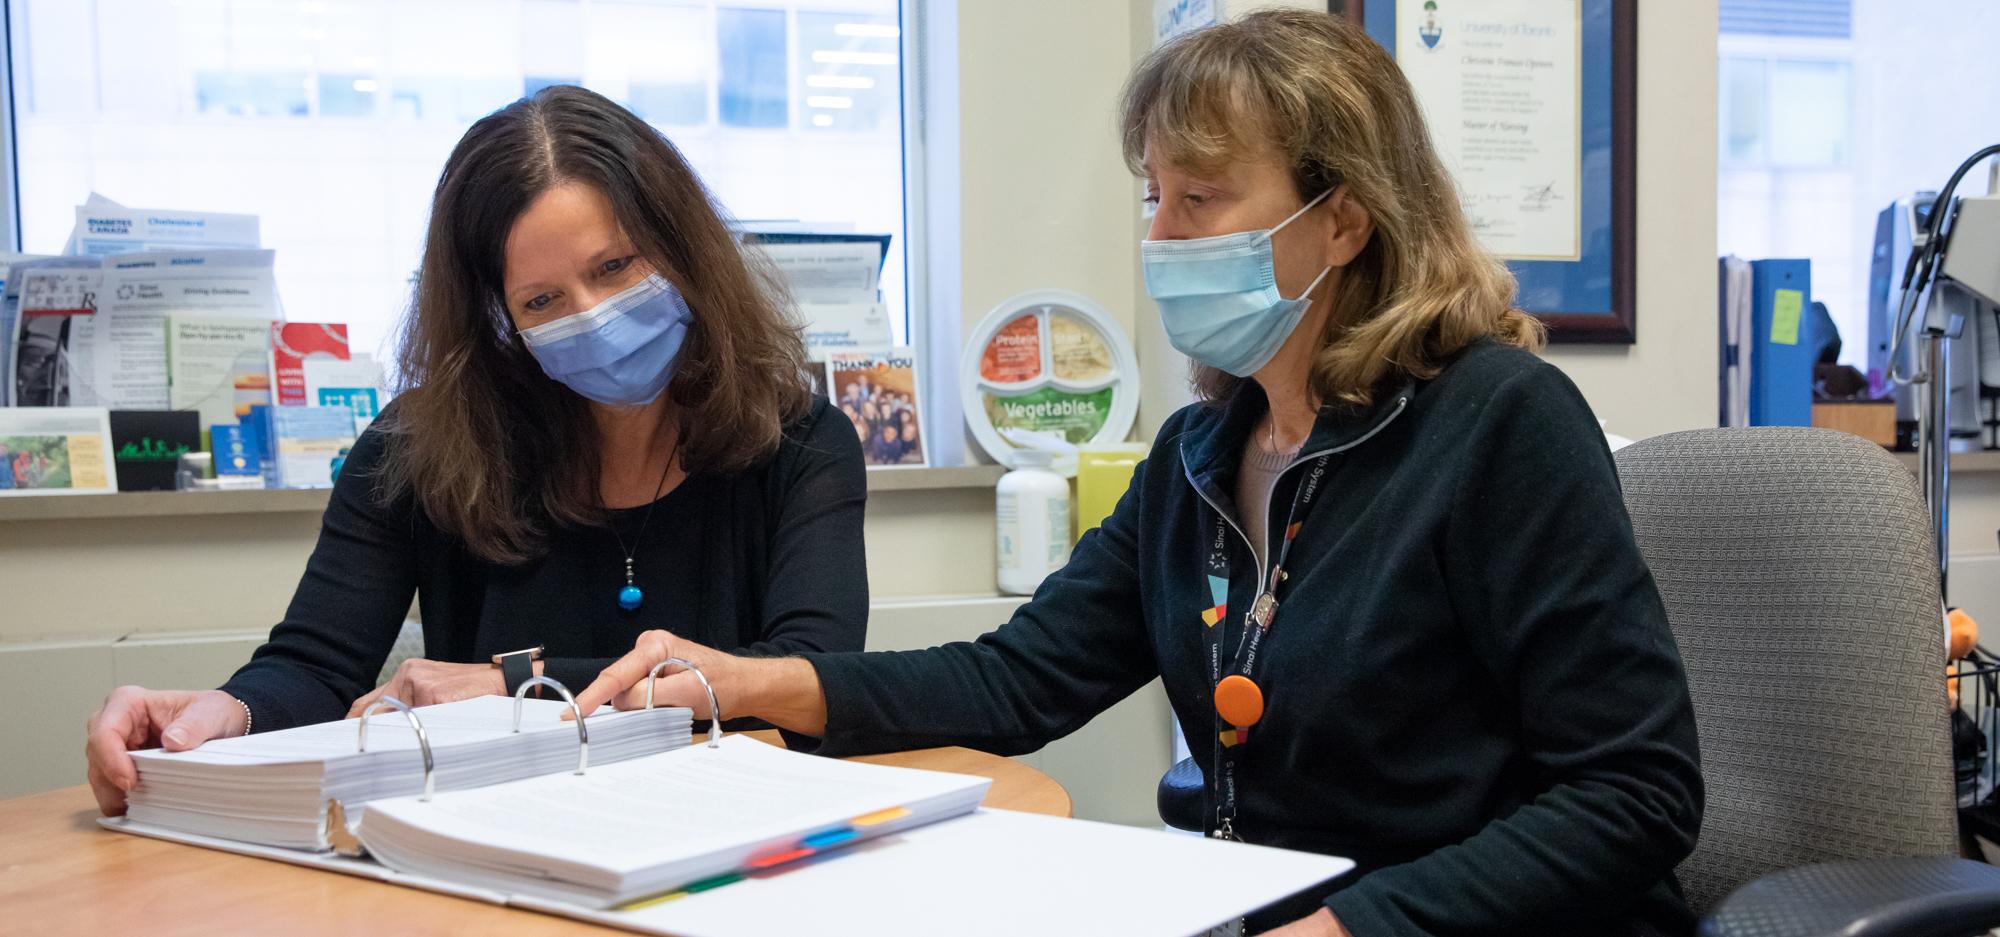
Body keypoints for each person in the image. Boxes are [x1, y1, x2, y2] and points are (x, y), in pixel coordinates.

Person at [578, 12, 1701, 937]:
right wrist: (746, 680)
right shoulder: (1199, 456)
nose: (1160, 234)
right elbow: (1017, 681)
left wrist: (1346, 928)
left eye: (1198, 200)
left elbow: (1632, 795)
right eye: (1152, 196)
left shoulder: (1498, 425)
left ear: (1344, 220)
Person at [83, 85, 869, 816]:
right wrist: (225, 712)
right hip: (493, 837)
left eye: (615, 267)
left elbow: (806, 675)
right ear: (497, 320)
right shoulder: (415, 450)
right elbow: (318, 663)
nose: (592, 316)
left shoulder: (801, 441)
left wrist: (516, 682)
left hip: (731, 825)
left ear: (682, 249)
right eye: (542, 300)